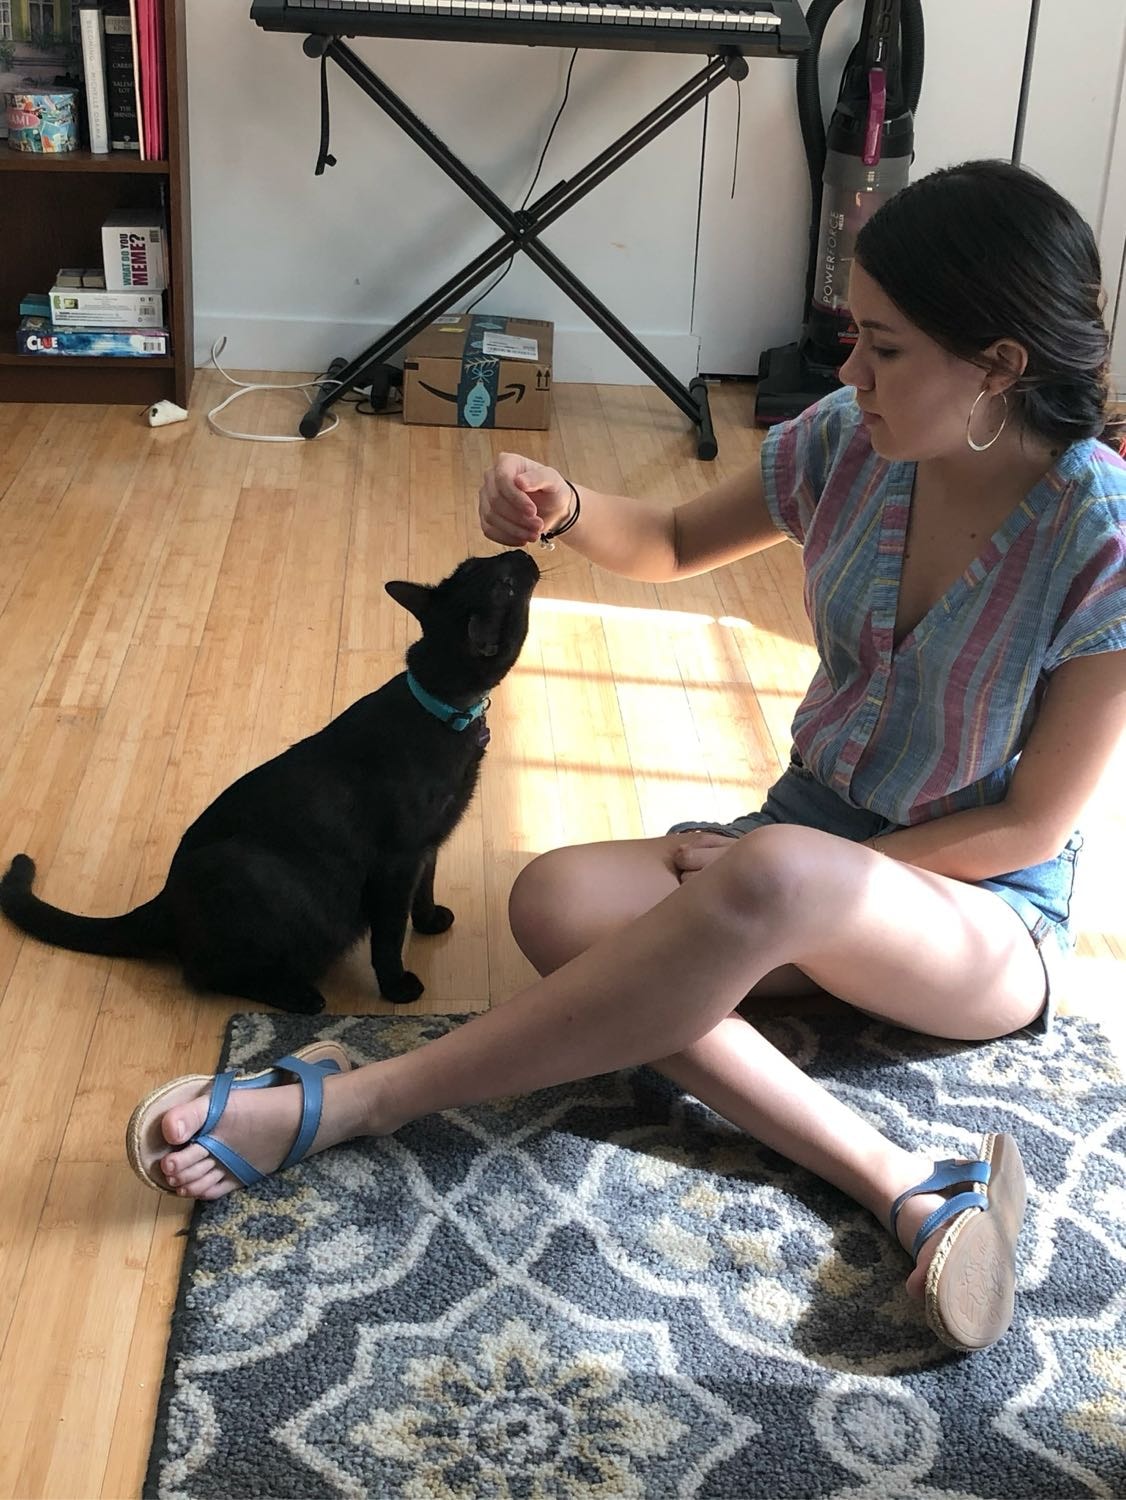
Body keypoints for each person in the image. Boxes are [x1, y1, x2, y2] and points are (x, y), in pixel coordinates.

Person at [128, 160, 1126, 1354]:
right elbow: (666, 539)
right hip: (800, 847)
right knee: (555, 902)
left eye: (882, 347)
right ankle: (912, 1181)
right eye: (850, 338)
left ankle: (361, 1101)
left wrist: (788, 879)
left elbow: (1025, 827)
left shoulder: (1100, 532)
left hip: (977, 913)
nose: (847, 371)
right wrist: (561, 503)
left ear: (997, 366)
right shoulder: (847, 443)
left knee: (767, 880)